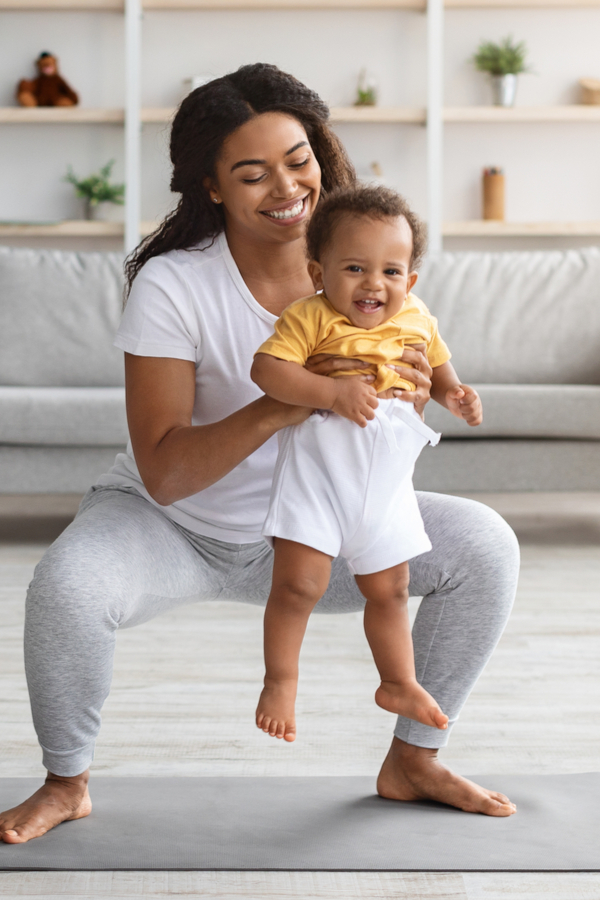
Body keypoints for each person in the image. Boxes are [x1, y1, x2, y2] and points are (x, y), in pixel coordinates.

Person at [0, 63, 518, 845]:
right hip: (175, 527)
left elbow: (384, 436)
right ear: (211, 186)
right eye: (252, 173)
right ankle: (66, 781)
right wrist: (290, 399)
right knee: (66, 590)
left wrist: (412, 397)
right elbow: (168, 474)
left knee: (486, 545)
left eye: (298, 159)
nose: (285, 187)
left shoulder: (374, 274)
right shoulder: (176, 287)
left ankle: (413, 761)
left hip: (315, 528)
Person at [253, 183, 483, 743]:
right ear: (318, 272)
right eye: (354, 267)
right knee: (297, 586)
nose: (373, 284)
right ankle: (280, 680)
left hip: (385, 484)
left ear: (411, 280)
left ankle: (397, 680)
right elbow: (267, 371)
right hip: (319, 476)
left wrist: (454, 394)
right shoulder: (309, 317)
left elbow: (439, 362)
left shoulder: (418, 318)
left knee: (392, 589)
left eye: (390, 271)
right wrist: (330, 394)